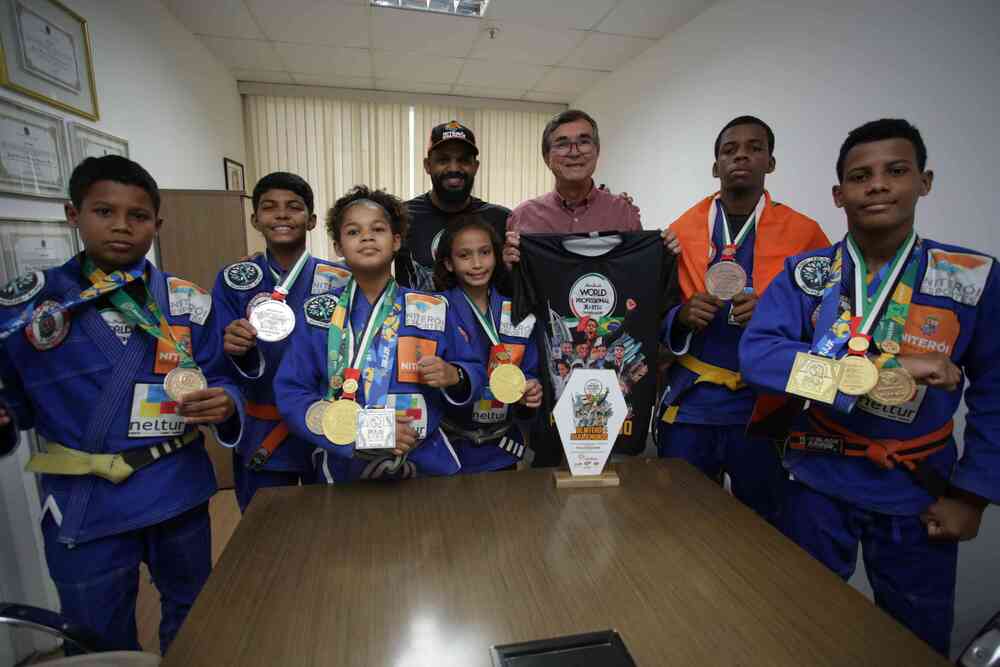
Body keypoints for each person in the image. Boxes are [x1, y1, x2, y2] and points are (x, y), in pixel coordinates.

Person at [740, 119, 998, 654]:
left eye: (895, 171)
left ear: (924, 182)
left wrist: (972, 496)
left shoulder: (970, 278)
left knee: (913, 639)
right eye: (861, 176)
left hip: (916, 488)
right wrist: (882, 368)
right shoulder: (808, 273)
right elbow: (760, 358)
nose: (877, 184)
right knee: (799, 628)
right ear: (840, 194)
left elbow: (997, 394)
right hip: (816, 476)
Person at [0, 156, 243, 653]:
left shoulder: (188, 301)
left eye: (137, 216)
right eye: (103, 211)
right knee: (96, 640)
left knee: (194, 616)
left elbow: (222, 375)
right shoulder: (32, 305)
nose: (120, 226)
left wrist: (226, 401)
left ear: (157, 223)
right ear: (74, 214)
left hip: (175, 487)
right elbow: (13, 405)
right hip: (85, 499)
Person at [657, 116, 829, 523]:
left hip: (765, 407)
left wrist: (776, 317)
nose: (741, 156)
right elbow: (656, 309)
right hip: (693, 403)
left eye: (754, 148)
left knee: (766, 525)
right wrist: (680, 317)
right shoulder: (680, 231)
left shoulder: (806, 234)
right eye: (729, 149)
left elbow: (831, 323)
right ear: (716, 165)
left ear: (770, 162)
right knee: (681, 520)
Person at [274, 186, 485, 481]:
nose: (367, 237)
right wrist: (360, 431)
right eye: (352, 231)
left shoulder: (433, 308)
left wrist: (455, 375)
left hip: (424, 460)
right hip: (343, 464)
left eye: (378, 229)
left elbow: (474, 369)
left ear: (396, 240)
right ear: (337, 246)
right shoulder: (317, 313)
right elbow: (292, 391)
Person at [213, 171, 351, 511]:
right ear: (255, 218)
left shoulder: (341, 279)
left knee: (336, 530)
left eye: (294, 207)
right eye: (269, 207)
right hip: (263, 429)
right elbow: (216, 361)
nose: (282, 214)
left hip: (326, 424)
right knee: (267, 536)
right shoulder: (236, 280)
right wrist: (234, 346)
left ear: (312, 219)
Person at [432, 216, 543, 472]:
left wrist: (531, 391)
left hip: (502, 448)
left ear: (497, 255)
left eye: (485, 252)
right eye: (464, 255)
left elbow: (530, 371)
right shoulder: (435, 311)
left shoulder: (518, 312)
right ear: (448, 263)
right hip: (450, 448)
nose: (477, 264)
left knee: (504, 512)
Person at [395, 121, 510, 291]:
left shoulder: (501, 220)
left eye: (463, 160)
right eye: (443, 160)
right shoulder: (401, 216)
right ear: (428, 165)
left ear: (475, 167)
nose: (454, 168)